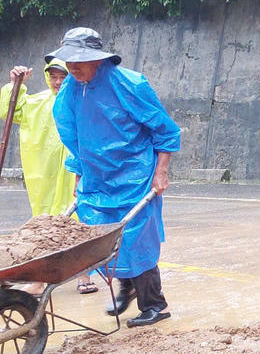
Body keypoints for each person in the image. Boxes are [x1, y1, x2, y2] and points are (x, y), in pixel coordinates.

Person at [49, 27, 182, 327]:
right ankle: (128, 286)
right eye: (68, 61)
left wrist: (161, 172)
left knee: (136, 239)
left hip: (134, 175)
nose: (72, 66)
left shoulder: (129, 84)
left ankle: (155, 305)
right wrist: (79, 177)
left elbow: (164, 130)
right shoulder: (72, 89)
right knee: (103, 239)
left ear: (97, 59)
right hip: (98, 179)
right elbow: (75, 139)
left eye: (79, 60)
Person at [1, 60, 97, 292]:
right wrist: (15, 85)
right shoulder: (37, 103)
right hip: (44, 176)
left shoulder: (83, 100)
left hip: (73, 173)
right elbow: (9, 110)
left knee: (78, 221)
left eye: (62, 76)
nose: (57, 81)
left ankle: (83, 275)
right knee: (45, 225)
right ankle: (41, 278)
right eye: (53, 76)